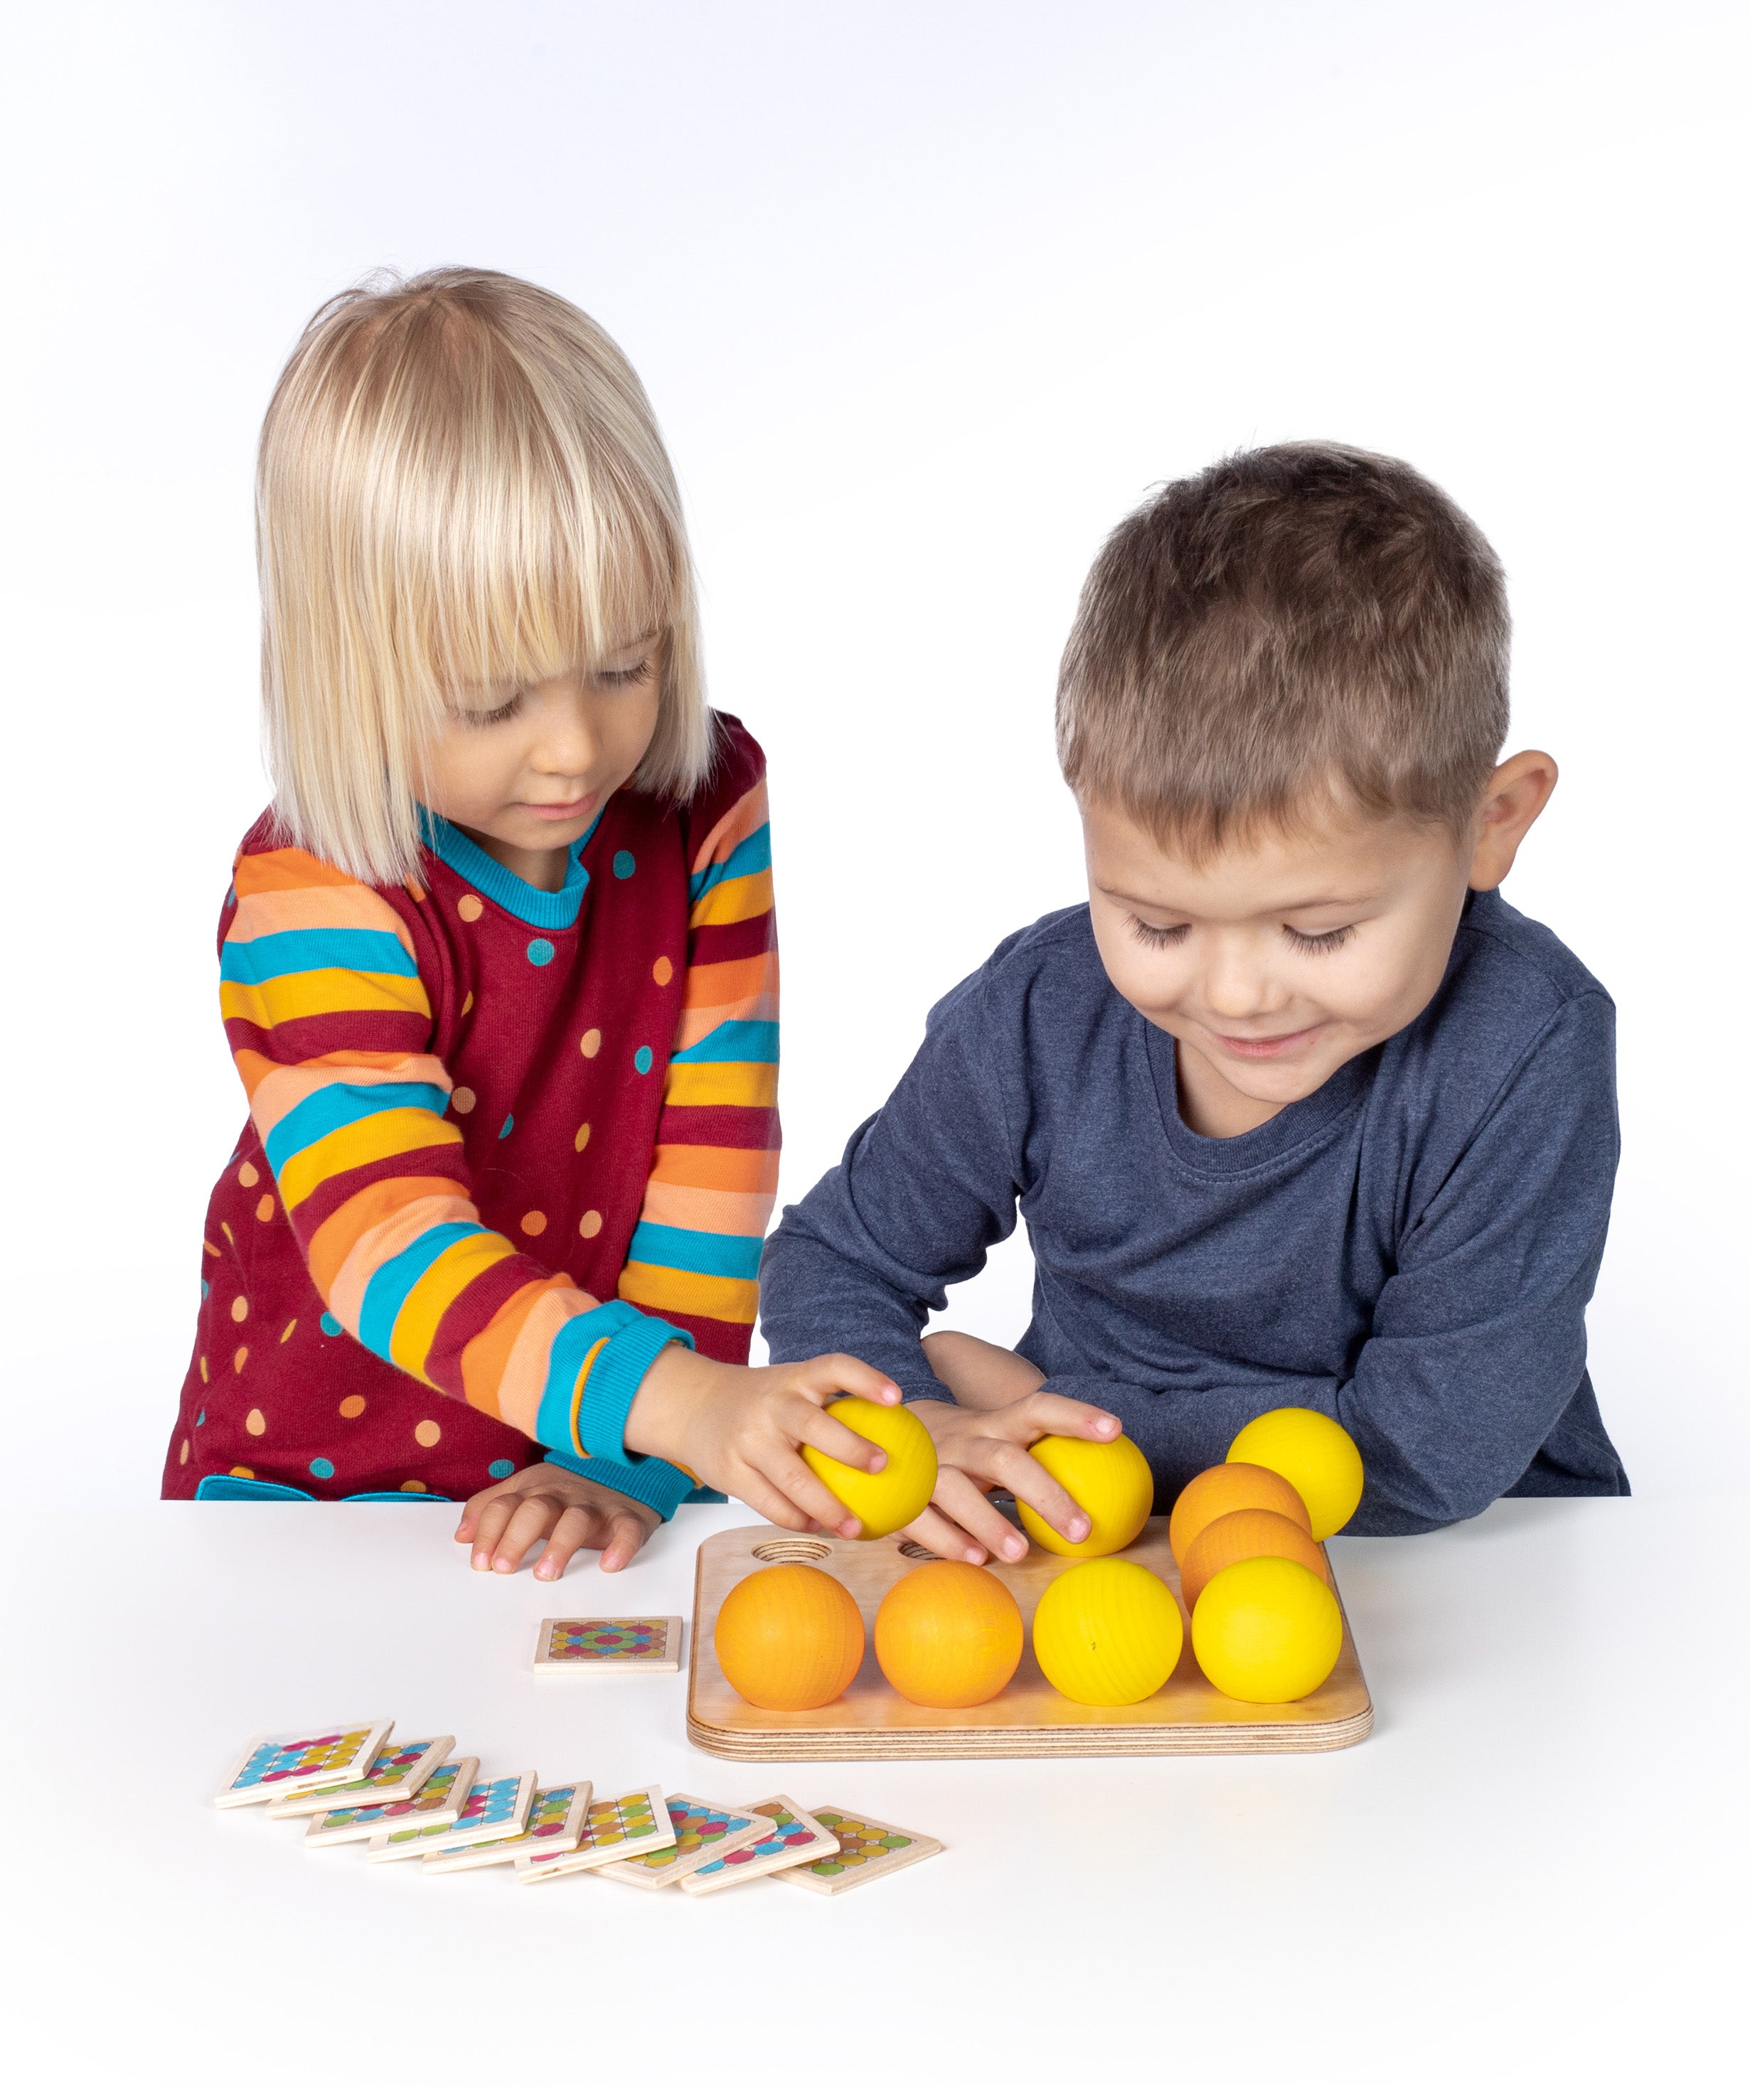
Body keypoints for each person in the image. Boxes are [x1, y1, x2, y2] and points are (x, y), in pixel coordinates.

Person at [761, 443, 1626, 1562]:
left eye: (1317, 930)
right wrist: (920, 1428)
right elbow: (831, 1262)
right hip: (1098, 1541)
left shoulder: (1524, 1042)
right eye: (1156, 924)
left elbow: (1428, 1451)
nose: (1233, 993)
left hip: (1483, 1563)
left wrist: (1065, 1402)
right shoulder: (1039, 1009)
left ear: (1489, 824)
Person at [164, 267, 897, 1574]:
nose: (576, 748)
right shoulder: (317, 890)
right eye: (493, 699)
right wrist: (678, 1401)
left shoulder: (702, 804)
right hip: (316, 1491)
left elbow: (711, 1151)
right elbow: (391, 1240)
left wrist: (639, 1450)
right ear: (351, 675)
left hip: (598, 1467)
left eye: (624, 665)